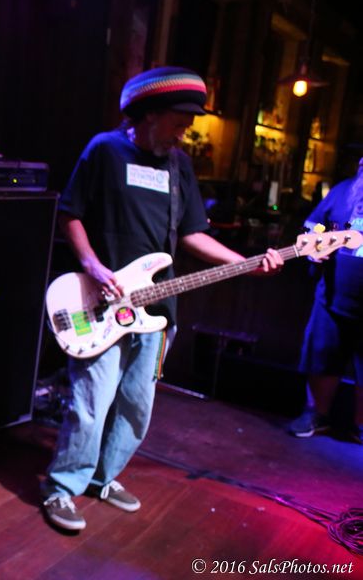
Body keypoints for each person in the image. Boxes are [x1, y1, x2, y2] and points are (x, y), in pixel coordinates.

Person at [42, 67, 284, 531]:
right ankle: (62, 487)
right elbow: (70, 214)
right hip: (100, 301)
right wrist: (94, 266)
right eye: (177, 123)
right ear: (148, 115)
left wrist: (246, 262)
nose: (183, 133)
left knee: (137, 404)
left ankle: (103, 478)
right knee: (92, 402)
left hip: (156, 308)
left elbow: (192, 234)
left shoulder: (178, 165)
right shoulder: (105, 150)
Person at [288, 159, 363, 444]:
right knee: (322, 354)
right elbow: (315, 225)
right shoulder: (343, 191)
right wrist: (314, 245)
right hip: (334, 296)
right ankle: (316, 414)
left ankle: (360, 427)